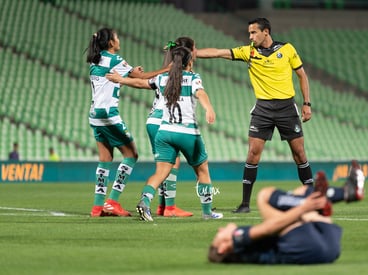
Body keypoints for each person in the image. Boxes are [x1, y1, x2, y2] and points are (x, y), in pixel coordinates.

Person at [197, 17, 313, 213]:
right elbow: (219, 53)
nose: (250, 36)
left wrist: (307, 103)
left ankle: (312, 201)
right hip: (263, 109)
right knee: (252, 155)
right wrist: (194, 53)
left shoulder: (287, 49)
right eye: (249, 33)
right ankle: (245, 204)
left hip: (287, 108)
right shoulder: (249, 52)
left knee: (299, 154)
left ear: (265, 32)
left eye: (253, 32)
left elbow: (302, 75)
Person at [106, 46, 223, 221]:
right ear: (189, 61)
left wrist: (120, 80)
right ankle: (207, 212)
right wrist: (209, 108)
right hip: (187, 133)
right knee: (203, 171)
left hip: (165, 133)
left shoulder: (161, 78)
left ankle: (145, 201)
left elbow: (140, 83)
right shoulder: (193, 78)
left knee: (161, 173)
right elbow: (201, 93)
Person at [208, 160, 365, 264]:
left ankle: (338, 195)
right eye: (218, 235)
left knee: (301, 191)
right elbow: (270, 228)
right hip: (307, 244)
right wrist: (303, 207)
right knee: (265, 196)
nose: (220, 229)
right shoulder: (238, 241)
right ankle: (338, 194)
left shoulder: (247, 252)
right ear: (223, 248)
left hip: (330, 249)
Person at [85, 27, 169, 217]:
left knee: (105, 159)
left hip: (94, 115)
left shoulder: (95, 61)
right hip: (108, 115)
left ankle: (98, 207)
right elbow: (140, 78)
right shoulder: (114, 59)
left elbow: (117, 79)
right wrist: (167, 69)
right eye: (116, 37)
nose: (119, 39)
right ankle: (113, 201)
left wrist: (128, 75)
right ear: (111, 43)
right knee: (131, 154)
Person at [147, 37, 198, 218]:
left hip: (154, 119)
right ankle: (168, 207)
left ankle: (163, 206)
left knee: (165, 164)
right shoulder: (180, 73)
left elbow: (145, 82)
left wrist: (124, 79)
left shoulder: (168, 70)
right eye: (195, 48)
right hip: (163, 120)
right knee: (170, 163)